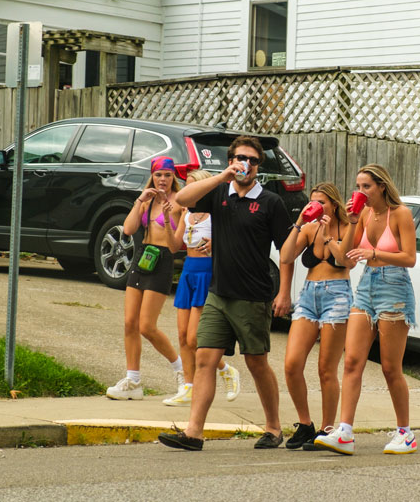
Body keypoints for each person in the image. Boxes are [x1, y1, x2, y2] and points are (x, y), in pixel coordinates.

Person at [157, 136, 294, 451]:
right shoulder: (219, 191)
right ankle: (194, 432)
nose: (246, 164)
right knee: (205, 358)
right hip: (218, 293)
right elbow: (183, 200)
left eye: (252, 160)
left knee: (256, 362)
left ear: (259, 166)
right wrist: (222, 176)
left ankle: (273, 427)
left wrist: (284, 292)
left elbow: (286, 252)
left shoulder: (271, 202)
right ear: (231, 160)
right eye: (240, 158)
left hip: (253, 295)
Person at [314, 164, 418, 455]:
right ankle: (344, 431)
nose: (360, 192)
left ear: (382, 186)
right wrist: (349, 222)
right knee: (352, 362)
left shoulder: (401, 214)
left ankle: (405, 433)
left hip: (394, 287)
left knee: (389, 367)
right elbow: (347, 260)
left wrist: (374, 252)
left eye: (366, 187)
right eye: (358, 187)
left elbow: (409, 258)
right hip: (366, 286)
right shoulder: (364, 215)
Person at [279, 183, 356, 449]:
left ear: (334, 205)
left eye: (321, 202)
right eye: (313, 201)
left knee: (326, 368)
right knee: (291, 364)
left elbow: (347, 261)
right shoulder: (308, 228)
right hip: (309, 296)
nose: (316, 206)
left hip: (337, 295)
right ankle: (305, 423)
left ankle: (327, 428)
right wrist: (301, 221)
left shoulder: (348, 228)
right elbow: (286, 256)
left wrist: (328, 238)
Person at [106, 157, 186, 400]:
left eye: (168, 175)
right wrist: (141, 200)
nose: (163, 180)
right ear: (152, 176)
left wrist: (167, 211)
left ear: (174, 178)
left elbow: (175, 246)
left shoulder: (180, 202)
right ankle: (133, 380)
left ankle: (181, 370)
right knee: (130, 322)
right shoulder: (146, 199)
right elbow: (129, 230)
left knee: (147, 326)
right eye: (159, 175)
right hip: (143, 257)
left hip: (162, 259)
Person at [162, 168, 241, 407]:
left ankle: (226, 370)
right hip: (189, 271)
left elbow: (236, 239)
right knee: (183, 337)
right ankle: (188, 386)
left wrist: (216, 242)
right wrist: (167, 219)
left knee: (196, 337)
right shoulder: (187, 213)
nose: (188, 190)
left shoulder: (218, 213)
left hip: (208, 272)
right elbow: (175, 246)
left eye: (193, 185)